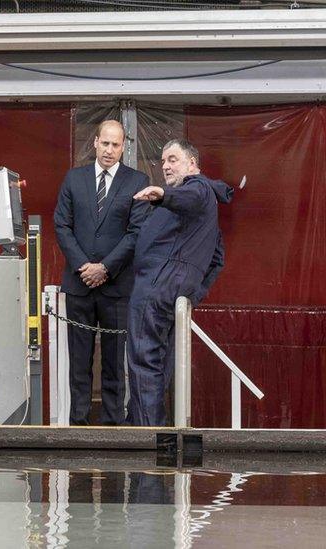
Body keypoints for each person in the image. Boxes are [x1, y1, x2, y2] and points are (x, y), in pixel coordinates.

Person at [127, 139, 232, 427]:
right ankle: (145, 425)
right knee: (158, 365)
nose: (166, 166)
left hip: (157, 286)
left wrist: (162, 194)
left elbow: (189, 196)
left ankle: (147, 435)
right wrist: (192, 294)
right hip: (173, 294)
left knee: (144, 361)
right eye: (163, 161)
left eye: (173, 159)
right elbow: (217, 259)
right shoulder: (205, 204)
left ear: (193, 164)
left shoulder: (196, 188)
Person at [54, 120, 150, 426]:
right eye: (105, 143)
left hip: (116, 287)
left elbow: (137, 233)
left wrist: (105, 269)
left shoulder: (137, 181)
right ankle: (78, 425)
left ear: (124, 147)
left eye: (116, 145)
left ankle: (112, 424)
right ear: (95, 143)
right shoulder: (74, 179)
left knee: (114, 362)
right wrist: (85, 267)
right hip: (79, 284)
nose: (109, 150)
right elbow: (62, 226)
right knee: (79, 363)